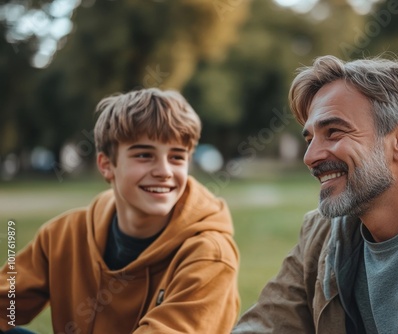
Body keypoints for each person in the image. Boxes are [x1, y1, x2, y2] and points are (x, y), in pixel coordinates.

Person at [233, 55, 398, 333]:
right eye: (310, 139)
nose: (310, 157)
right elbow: (264, 325)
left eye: (334, 132)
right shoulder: (321, 235)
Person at [0, 88, 240, 333]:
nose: (164, 171)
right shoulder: (63, 234)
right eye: (145, 155)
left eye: (177, 157)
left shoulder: (210, 254)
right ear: (106, 165)